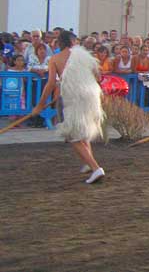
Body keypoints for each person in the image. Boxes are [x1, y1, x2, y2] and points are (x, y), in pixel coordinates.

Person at [32, 31, 105, 184]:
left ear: (60, 43)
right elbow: (97, 76)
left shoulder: (55, 59)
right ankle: (88, 163)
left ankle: (96, 168)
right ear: (73, 42)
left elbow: (51, 83)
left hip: (74, 97)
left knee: (72, 134)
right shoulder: (84, 55)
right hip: (90, 95)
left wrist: (39, 105)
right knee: (82, 132)